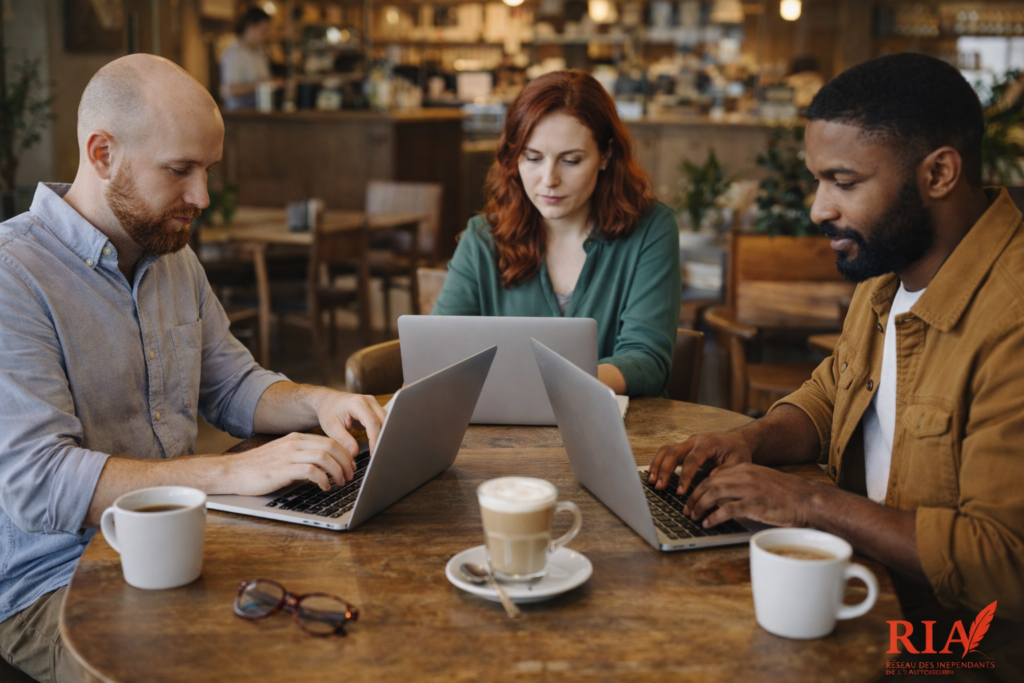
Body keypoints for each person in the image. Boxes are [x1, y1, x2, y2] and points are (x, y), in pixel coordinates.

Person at [0, 55, 385, 683]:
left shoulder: (171, 259)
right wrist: (232, 471)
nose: (201, 197)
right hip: (54, 586)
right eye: (180, 170)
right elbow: (41, 485)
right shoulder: (12, 277)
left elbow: (233, 386)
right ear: (101, 153)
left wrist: (319, 403)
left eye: (206, 171)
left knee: (337, 632)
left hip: (189, 543)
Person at [648, 53, 1024, 672]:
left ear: (939, 174)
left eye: (844, 183)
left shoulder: (1009, 322)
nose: (819, 208)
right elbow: (834, 391)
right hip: (854, 586)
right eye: (818, 180)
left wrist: (807, 503)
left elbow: (1002, 563)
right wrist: (751, 440)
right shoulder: (889, 272)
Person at [432, 70, 681, 398]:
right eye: (533, 158)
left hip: (619, 433)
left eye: (571, 161)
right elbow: (438, 352)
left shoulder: (651, 228)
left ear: (605, 155)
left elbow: (647, 361)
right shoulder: (482, 237)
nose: (549, 179)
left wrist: (542, 384)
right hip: (504, 437)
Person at [219, 6, 274, 111]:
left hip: (260, 111)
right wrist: (262, 84)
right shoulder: (234, 54)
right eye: (264, 31)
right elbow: (231, 90)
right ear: (249, 27)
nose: (267, 36)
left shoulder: (260, 53)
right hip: (240, 116)